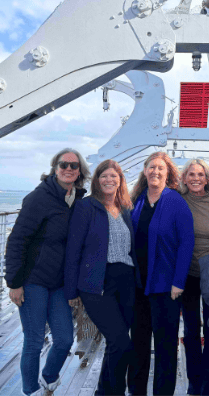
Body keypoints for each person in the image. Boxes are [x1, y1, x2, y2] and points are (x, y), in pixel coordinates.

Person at [5, 148, 90, 396]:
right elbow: (17, 240)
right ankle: (30, 390)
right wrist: (14, 282)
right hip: (32, 280)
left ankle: (49, 378)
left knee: (64, 340)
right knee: (33, 341)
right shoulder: (39, 198)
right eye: (63, 164)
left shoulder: (77, 201)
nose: (68, 169)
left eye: (74, 166)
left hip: (58, 283)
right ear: (55, 168)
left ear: (79, 172)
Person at [64, 160, 140, 396]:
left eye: (114, 177)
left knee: (115, 344)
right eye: (104, 176)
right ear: (97, 180)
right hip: (97, 283)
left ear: (120, 181)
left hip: (126, 282)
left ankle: (103, 392)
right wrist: (71, 292)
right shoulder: (86, 207)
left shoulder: (126, 208)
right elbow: (73, 250)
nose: (109, 180)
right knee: (121, 343)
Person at [128, 152, 195, 396]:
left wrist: (179, 281)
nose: (155, 172)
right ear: (145, 171)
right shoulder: (137, 200)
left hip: (165, 287)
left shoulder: (175, 201)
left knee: (166, 347)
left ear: (168, 174)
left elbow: (187, 242)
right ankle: (136, 392)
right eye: (151, 167)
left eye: (161, 168)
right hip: (138, 286)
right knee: (138, 344)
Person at [179, 159, 209, 396]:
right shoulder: (178, 201)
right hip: (186, 274)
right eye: (191, 174)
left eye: (200, 174)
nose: (196, 178)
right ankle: (194, 382)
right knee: (190, 331)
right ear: (184, 178)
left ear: (207, 178)